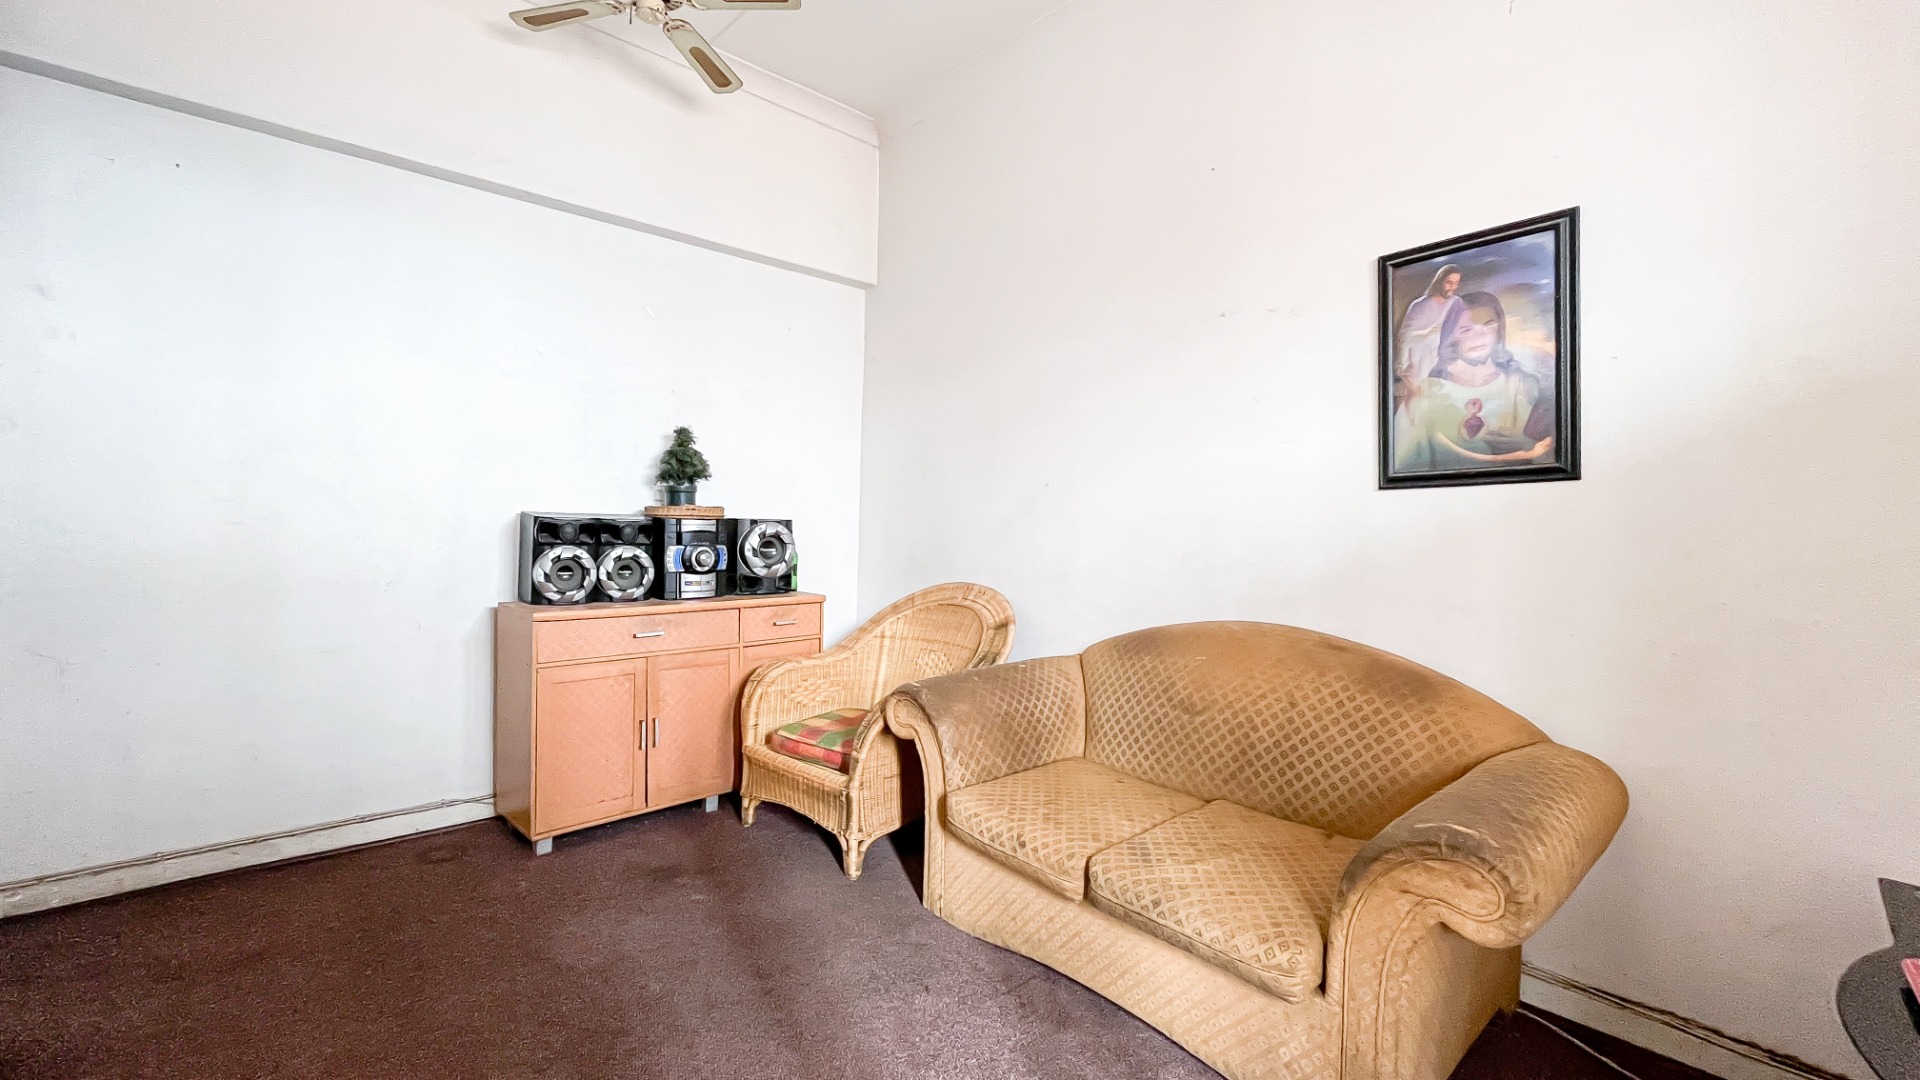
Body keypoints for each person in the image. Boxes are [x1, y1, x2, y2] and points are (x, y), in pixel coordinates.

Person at [1392, 290, 1555, 473]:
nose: (1479, 336)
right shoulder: (1428, 390)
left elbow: (1554, 456)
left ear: (1499, 330)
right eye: (1466, 330)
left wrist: (1527, 447)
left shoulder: (1524, 385)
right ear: (1451, 336)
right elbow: (1402, 462)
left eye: (1488, 325)